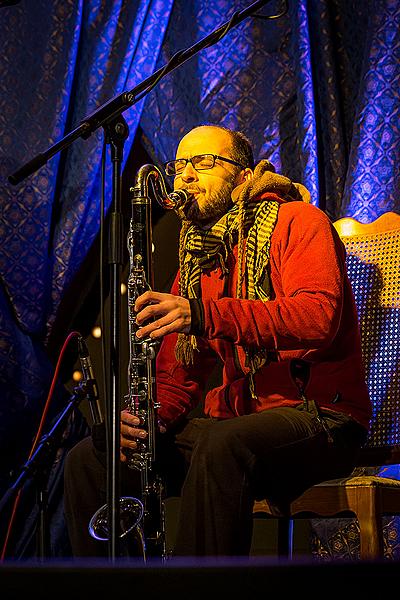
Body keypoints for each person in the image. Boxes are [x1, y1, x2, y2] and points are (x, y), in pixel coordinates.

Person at [64, 124, 372, 558]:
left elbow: (317, 317)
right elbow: (177, 376)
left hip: (323, 421)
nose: (185, 176)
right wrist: (142, 422)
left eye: (203, 163)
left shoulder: (300, 220)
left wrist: (204, 314)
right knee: (91, 459)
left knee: (221, 443)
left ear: (243, 177)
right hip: (236, 427)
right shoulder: (200, 257)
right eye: (180, 165)